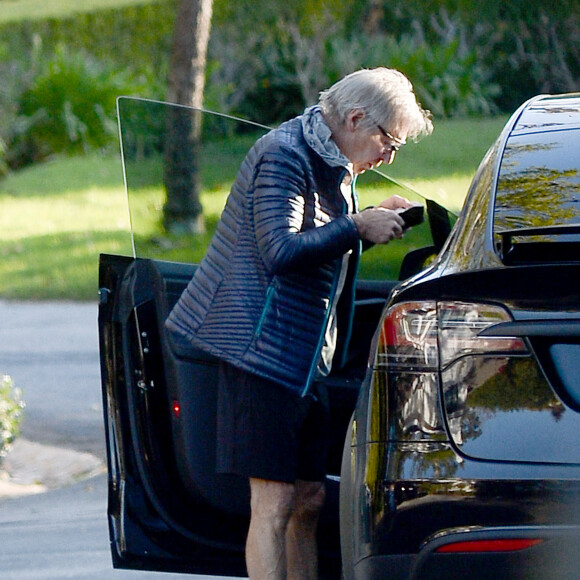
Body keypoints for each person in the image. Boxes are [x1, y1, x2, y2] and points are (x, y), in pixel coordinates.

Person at [165, 67, 433, 579]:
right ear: (355, 119)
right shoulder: (285, 155)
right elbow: (279, 251)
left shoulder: (332, 159)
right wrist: (357, 225)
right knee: (274, 503)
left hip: (305, 359)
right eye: (388, 142)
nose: (388, 157)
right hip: (260, 355)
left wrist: (371, 213)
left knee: (309, 498)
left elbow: (317, 232)